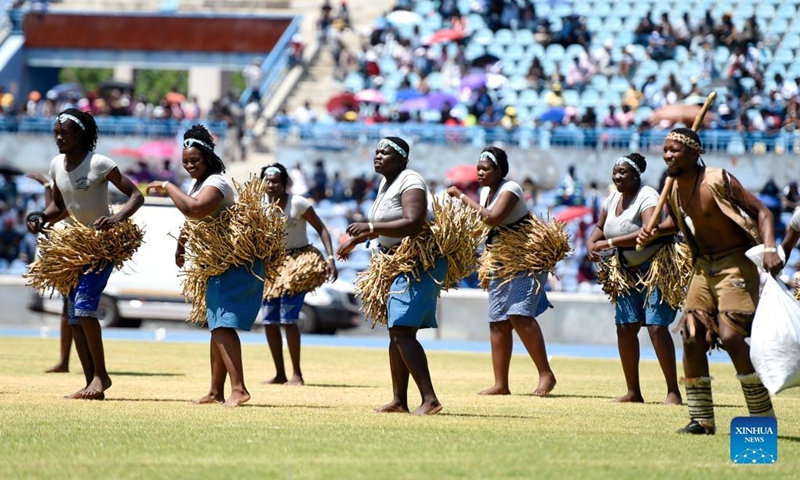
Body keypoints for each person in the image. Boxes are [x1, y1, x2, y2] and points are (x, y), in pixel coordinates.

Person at [637, 128, 781, 435]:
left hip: (735, 262)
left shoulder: (718, 178)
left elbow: (763, 212)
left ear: (694, 152)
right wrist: (654, 230)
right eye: (665, 150)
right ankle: (701, 419)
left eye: (674, 150)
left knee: (729, 337)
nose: (667, 155)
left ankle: (761, 414)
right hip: (703, 266)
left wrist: (770, 248)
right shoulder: (672, 186)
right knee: (691, 335)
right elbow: (678, 221)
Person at [26, 108, 144, 399]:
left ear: (80, 135)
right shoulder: (56, 165)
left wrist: (116, 219)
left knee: (85, 307)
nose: (58, 137)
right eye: (56, 132)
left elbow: (136, 195)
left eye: (64, 133)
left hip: (101, 246)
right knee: (75, 315)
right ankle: (92, 381)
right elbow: (60, 207)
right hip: (75, 248)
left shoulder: (100, 163)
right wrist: (41, 216)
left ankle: (101, 376)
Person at [146, 125, 266, 407]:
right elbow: (194, 220)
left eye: (195, 161)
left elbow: (195, 209)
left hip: (236, 262)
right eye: (186, 162)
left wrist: (167, 185)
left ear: (209, 158)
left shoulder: (217, 183)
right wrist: (181, 244)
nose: (189, 166)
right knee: (216, 325)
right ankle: (215, 391)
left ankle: (239, 389)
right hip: (217, 264)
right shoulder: (199, 184)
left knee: (223, 324)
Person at [336, 137, 445, 415]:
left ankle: (430, 399)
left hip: (415, 261)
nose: (378, 156)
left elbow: (412, 221)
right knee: (396, 332)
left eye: (385, 152)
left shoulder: (411, 179)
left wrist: (369, 225)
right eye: (376, 152)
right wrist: (357, 241)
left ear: (401, 159)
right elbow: (387, 226)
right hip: (393, 260)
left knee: (401, 329)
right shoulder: (386, 184)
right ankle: (399, 401)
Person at [446, 146, 557, 396]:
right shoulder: (486, 191)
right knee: (497, 321)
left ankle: (546, 374)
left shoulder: (511, 189)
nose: (480, 172)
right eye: (478, 168)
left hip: (524, 257)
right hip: (500, 258)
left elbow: (493, 218)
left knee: (519, 315)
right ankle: (501, 384)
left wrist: (462, 197)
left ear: (499, 170)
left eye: (485, 168)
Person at [586, 153, 681, 405]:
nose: (617, 176)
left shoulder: (647, 195)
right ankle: (633, 391)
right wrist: (590, 242)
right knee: (625, 328)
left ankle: (673, 391)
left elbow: (648, 231)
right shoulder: (612, 198)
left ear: (636, 175)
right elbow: (599, 226)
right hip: (625, 271)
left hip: (656, 267)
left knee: (656, 327)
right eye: (615, 172)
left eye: (623, 172)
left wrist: (609, 242)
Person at [260, 163, 338, 385]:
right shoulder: (259, 207)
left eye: (276, 180)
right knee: (268, 321)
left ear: (285, 184)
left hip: (298, 263)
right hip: (273, 266)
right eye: (267, 180)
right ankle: (280, 373)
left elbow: (322, 229)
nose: (271, 184)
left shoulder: (298, 203)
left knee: (288, 319)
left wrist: (330, 258)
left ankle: (297, 374)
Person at [27, 172, 72, 373]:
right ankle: (64, 361)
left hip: (78, 250)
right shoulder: (61, 193)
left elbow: (63, 209)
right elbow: (53, 209)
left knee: (76, 310)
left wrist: (47, 185)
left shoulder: (79, 192)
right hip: (68, 251)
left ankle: (87, 366)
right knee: (68, 308)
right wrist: (46, 184)